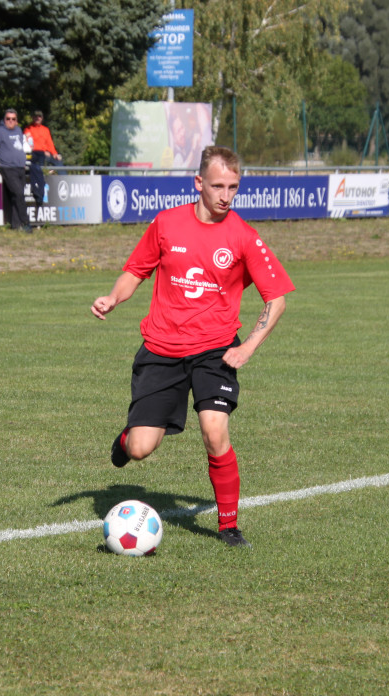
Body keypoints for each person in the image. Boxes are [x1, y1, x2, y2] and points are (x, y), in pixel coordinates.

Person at [90, 146, 295, 548]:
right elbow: (136, 270)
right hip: (162, 349)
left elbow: (278, 298)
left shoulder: (243, 236)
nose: (226, 195)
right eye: (218, 185)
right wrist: (114, 298)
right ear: (198, 183)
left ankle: (228, 526)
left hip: (214, 351)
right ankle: (124, 441)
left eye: (233, 187)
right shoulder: (166, 223)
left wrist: (248, 347)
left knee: (215, 431)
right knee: (141, 448)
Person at [23, 110, 61, 213]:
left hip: (43, 153)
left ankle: (44, 188)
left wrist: (54, 153)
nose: (37, 118)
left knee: (57, 163)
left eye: (39, 117)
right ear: (33, 117)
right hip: (32, 152)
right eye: (35, 117)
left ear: (42, 118)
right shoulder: (28, 128)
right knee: (33, 168)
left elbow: (49, 143)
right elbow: (26, 141)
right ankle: (36, 189)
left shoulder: (45, 130)